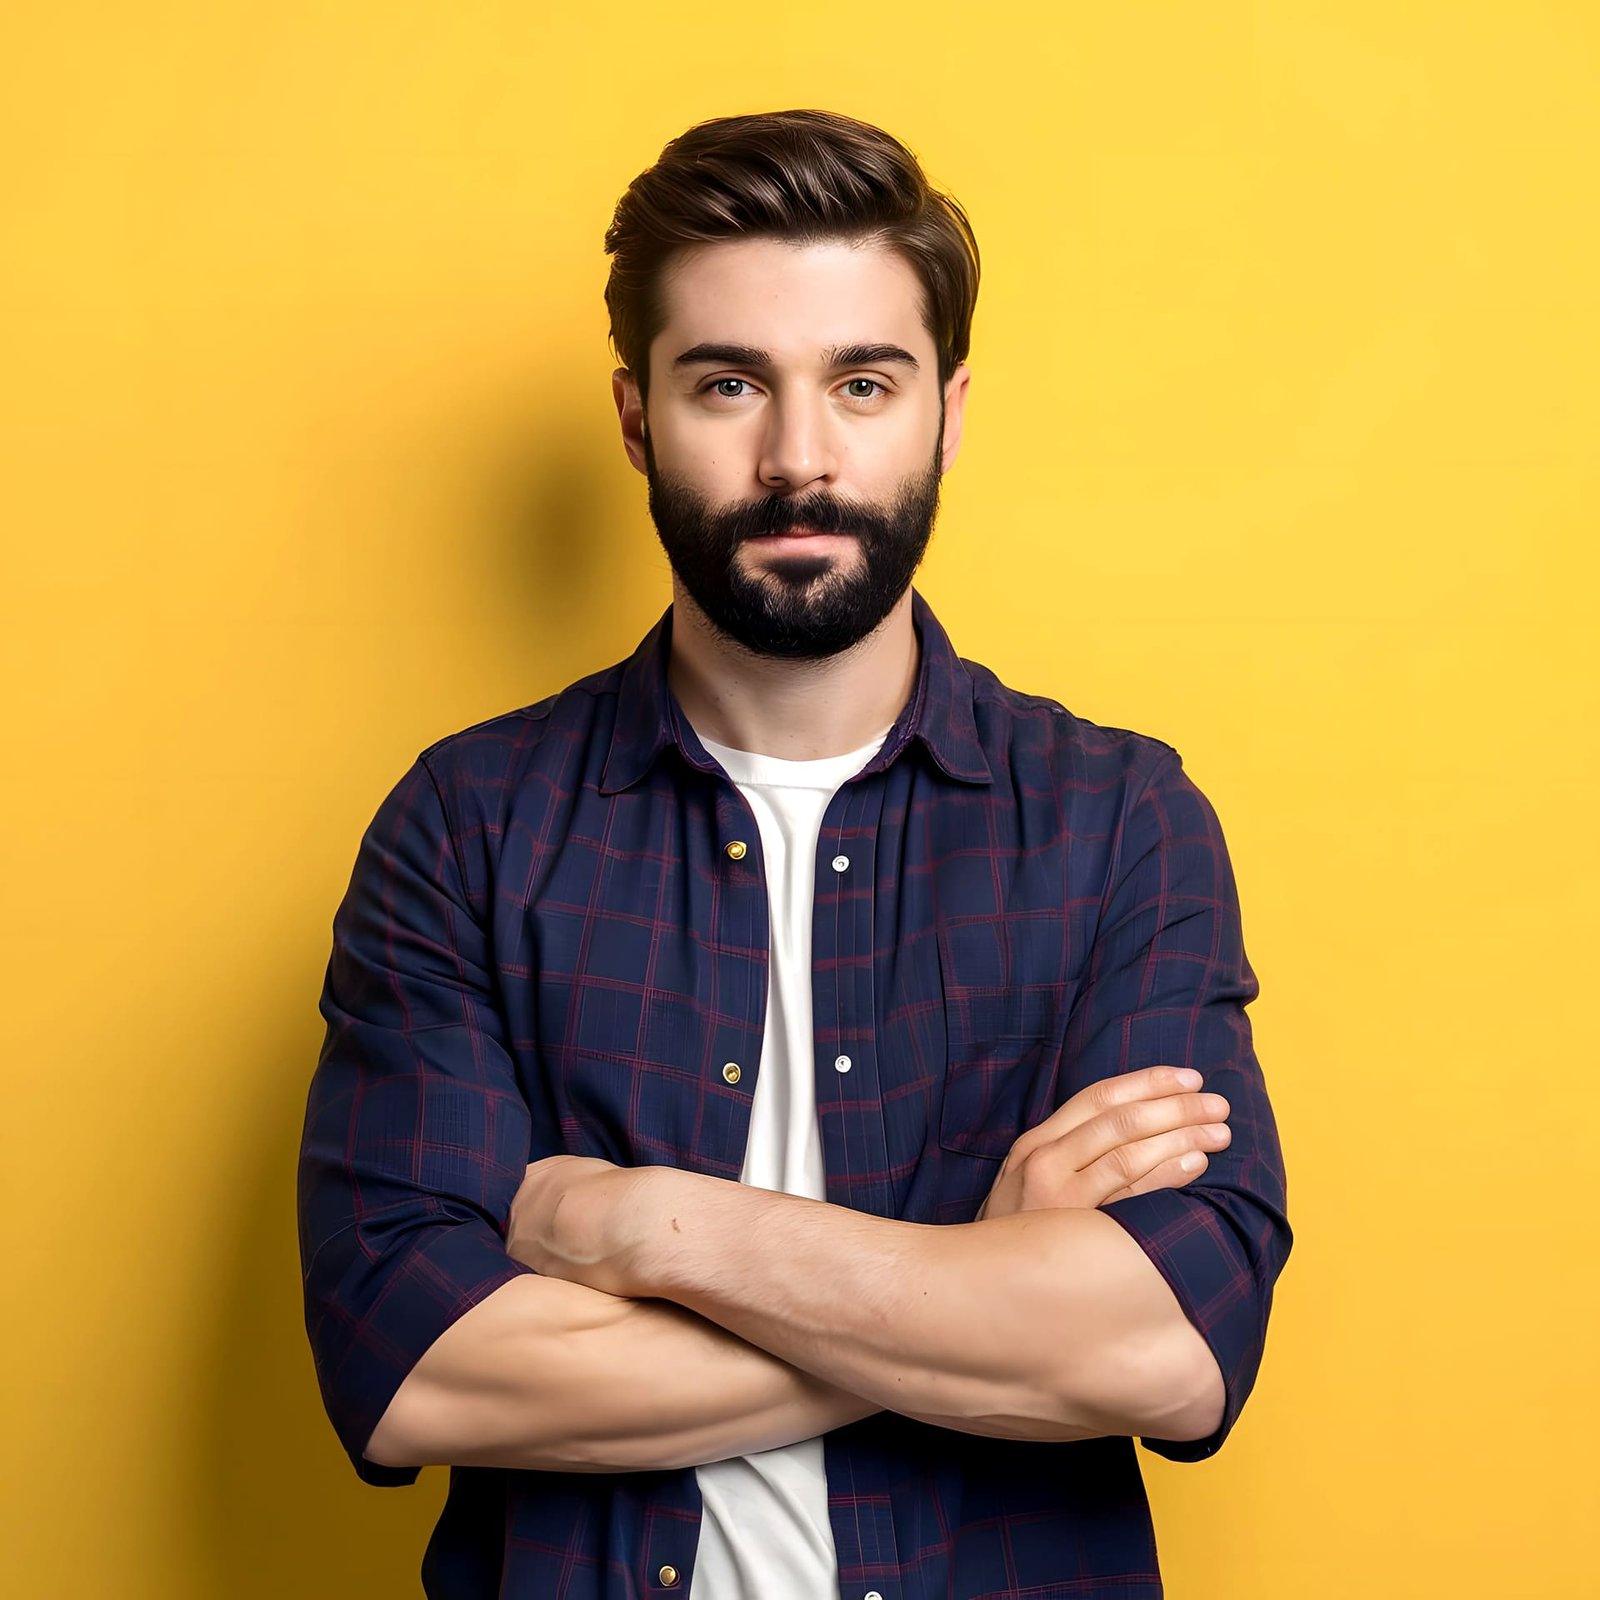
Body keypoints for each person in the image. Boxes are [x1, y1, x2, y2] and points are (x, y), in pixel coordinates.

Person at [297, 107, 1292, 1600]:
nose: (798, 457)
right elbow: (418, 1371)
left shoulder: (1115, 821)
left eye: (863, 382)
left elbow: (1165, 1351)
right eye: (728, 384)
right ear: (636, 418)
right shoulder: (471, 823)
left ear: (947, 412)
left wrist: (647, 1223)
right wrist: (972, 1279)